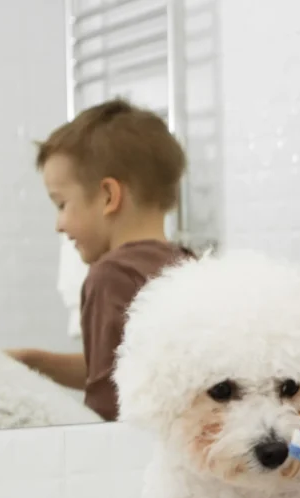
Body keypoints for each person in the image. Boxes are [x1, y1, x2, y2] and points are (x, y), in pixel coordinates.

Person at [10, 99, 193, 420]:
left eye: (61, 204)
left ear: (109, 196)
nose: (59, 224)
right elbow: (113, 370)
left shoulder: (111, 276)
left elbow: (107, 405)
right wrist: (37, 361)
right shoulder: (186, 263)